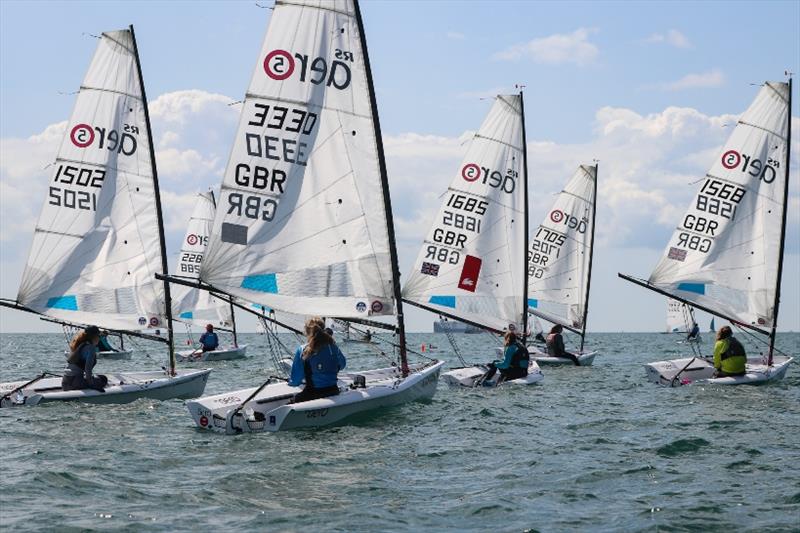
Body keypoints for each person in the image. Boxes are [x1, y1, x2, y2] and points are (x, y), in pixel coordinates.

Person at [289, 317, 347, 403]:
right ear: (323, 329)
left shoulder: (302, 350)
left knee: (290, 403)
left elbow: (295, 381)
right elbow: (342, 365)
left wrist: (290, 382)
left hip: (312, 394)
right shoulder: (333, 347)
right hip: (333, 391)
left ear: (307, 332)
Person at [62, 326, 108, 392]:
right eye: (99, 336)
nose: (99, 338)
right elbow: (88, 369)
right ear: (94, 337)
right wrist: (92, 385)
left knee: (98, 377)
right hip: (75, 384)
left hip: (65, 383)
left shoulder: (78, 344)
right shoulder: (91, 348)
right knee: (103, 379)